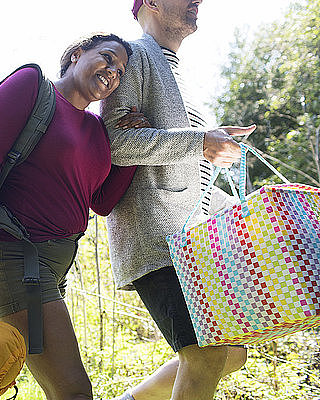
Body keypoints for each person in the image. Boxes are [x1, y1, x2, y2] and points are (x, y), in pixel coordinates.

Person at [0, 33, 143, 400]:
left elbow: (102, 201)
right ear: (77, 54)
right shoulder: (32, 85)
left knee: (60, 389)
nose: (113, 72)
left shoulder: (96, 129)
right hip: (13, 256)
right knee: (74, 391)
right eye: (108, 58)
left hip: (51, 266)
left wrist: (137, 146)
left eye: (121, 71)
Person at [101, 1, 256, 400]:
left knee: (231, 354)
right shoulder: (132, 55)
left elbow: (188, 172)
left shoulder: (176, 71)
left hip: (192, 242)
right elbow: (117, 143)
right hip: (156, 239)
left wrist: (246, 209)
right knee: (205, 355)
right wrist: (201, 141)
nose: (197, 2)